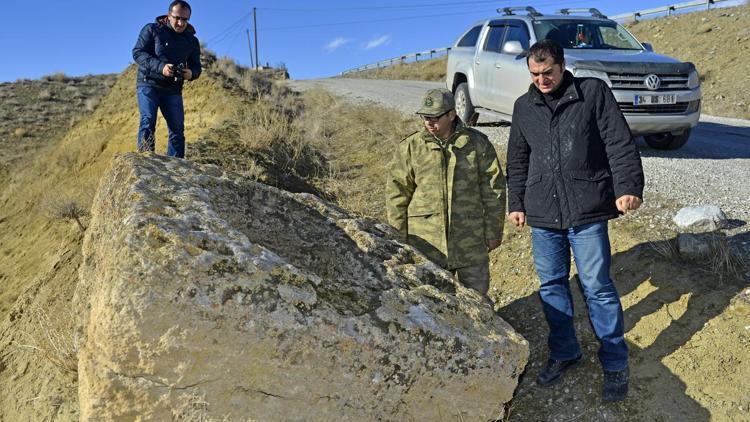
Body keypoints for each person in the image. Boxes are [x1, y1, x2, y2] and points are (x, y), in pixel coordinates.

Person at [506, 39, 644, 402]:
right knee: (551, 286)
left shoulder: (592, 93)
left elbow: (619, 142)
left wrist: (628, 186)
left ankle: (615, 362)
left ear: (563, 65)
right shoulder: (523, 107)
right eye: (534, 74)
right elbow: (518, 160)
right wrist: (515, 203)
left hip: (586, 209)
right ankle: (565, 352)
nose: (541, 80)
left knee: (596, 286)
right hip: (542, 213)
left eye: (547, 72)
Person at [386, 88, 506, 296]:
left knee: (479, 300)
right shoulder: (411, 147)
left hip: (471, 241)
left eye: (435, 117)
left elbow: (493, 189)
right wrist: (398, 237)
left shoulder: (477, 143)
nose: (429, 123)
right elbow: (397, 194)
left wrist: (494, 231)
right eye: (425, 117)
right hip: (426, 245)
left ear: (452, 114)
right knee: (433, 303)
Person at [132, 0, 201, 158]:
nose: (180, 23)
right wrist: (161, 67)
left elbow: (197, 66)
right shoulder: (152, 29)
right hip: (148, 83)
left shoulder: (192, 41)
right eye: (177, 17)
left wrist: (191, 73)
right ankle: (145, 161)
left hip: (173, 89)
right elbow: (138, 53)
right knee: (148, 120)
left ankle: (176, 166)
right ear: (169, 15)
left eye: (185, 19)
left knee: (177, 129)